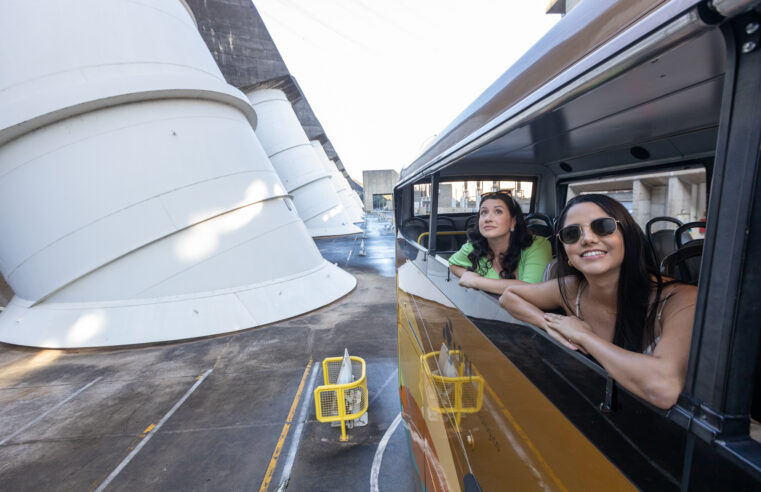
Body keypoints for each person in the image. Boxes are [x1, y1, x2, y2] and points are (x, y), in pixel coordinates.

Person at [499, 194, 697, 409]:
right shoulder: (571, 288)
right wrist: (550, 324)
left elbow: (663, 389)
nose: (587, 239)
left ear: (627, 237)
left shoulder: (680, 299)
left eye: (602, 227)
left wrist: (584, 336)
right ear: (567, 255)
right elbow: (509, 296)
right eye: (572, 234)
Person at [448, 191, 552, 294]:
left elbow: (533, 289)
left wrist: (476, 281)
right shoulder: (474, 246)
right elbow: (453, 264)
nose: (488, 219)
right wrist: (467, 275)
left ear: (513, 221)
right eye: (484, 212)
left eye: (498, 211)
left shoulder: (537, 245)